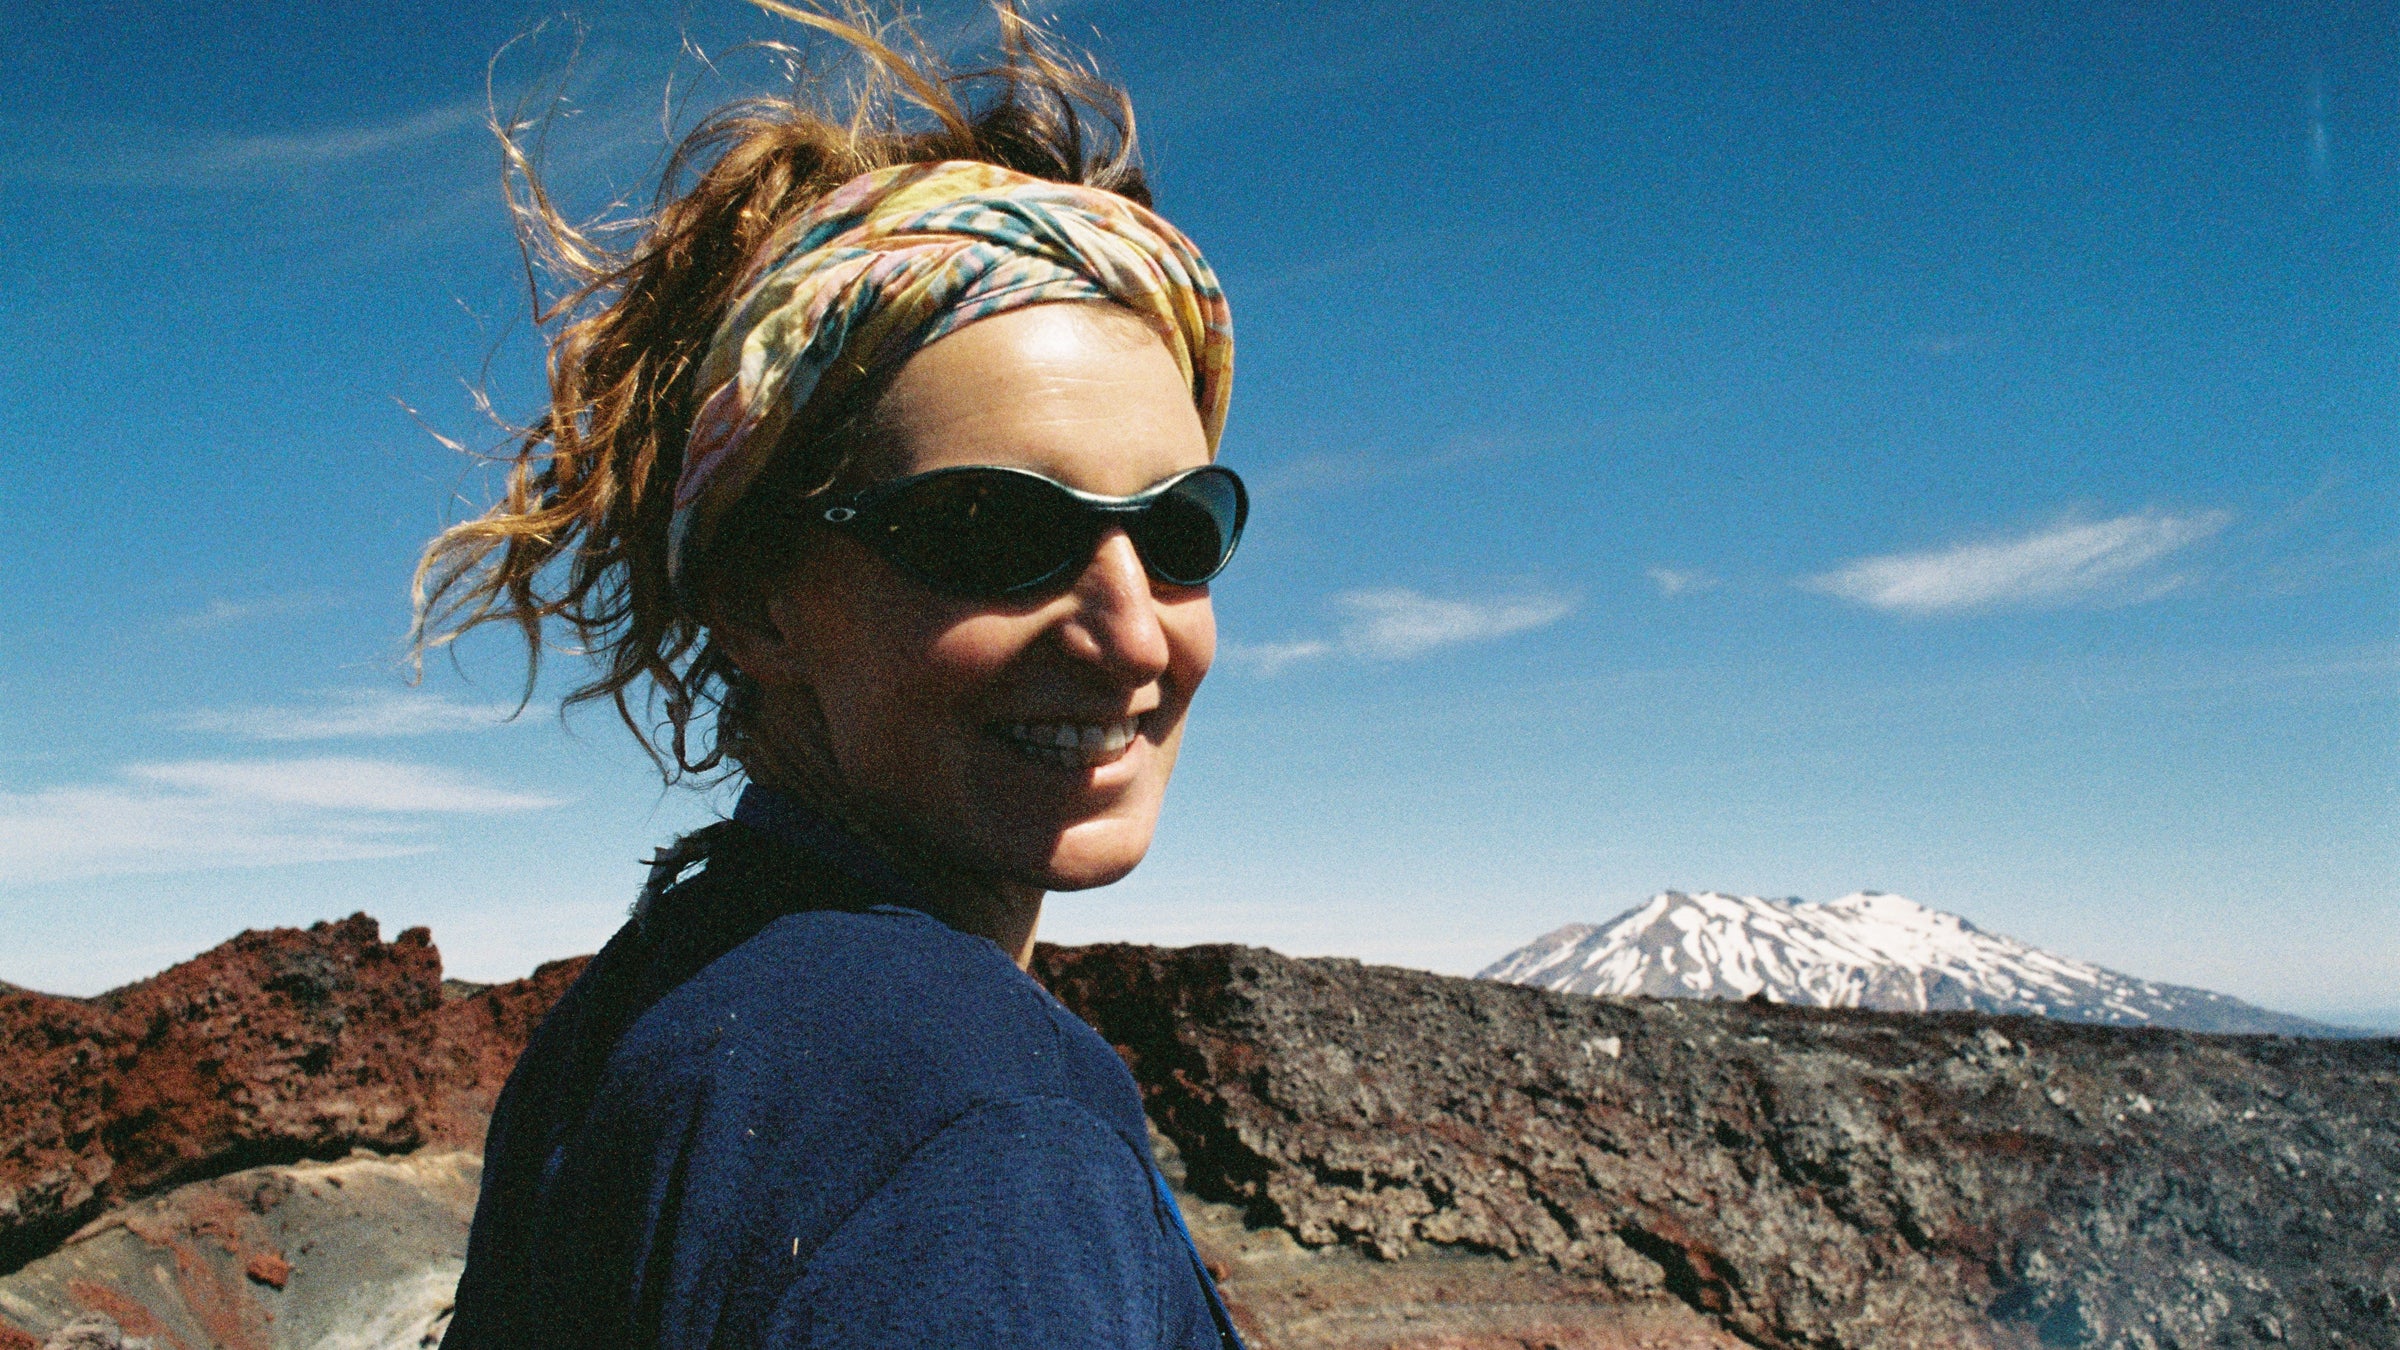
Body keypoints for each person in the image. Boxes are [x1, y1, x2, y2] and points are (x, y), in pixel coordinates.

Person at [409, 7, 1248, 1347]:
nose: (1136, 633)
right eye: (994, 530)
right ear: (757, 600)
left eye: (1179, 527)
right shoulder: (977, 1137)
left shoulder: (658, 1003)